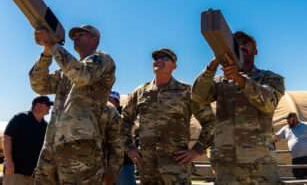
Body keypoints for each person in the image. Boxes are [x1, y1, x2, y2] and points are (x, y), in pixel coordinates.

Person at [29, 24, 123, 185]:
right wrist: (46, 52)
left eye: (82, 34)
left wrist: (52, 45)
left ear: (96, 39)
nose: (76, 37)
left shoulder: (102, 60)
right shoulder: (66, 70)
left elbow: (82, 75)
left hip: (81, 147)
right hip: (52, 146)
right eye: (74, 36)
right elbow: (39, 85)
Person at [192, 31, 285, 184]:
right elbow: (197, 96)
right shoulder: (220, 81)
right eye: (236, 43)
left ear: (255, 51)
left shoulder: (270, 78)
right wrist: (212, 65)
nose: (241, 46)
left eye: (246, 43)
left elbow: (268, 103)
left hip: (260, 163)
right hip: (227, 163)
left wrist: (239, 79)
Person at [122, 48, 215, 185]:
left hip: (176, 168)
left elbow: (210, 122)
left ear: (174, 66)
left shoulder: (187, 92)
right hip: (148, 168)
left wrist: (197, 150)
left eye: (165, 58)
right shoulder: (140, 92)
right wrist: (129, 147)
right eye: (156, 58)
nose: (159, 60)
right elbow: (124, 121)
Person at [3, 96, 51, 185]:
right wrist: (8, 161)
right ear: (38, 106)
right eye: (47, 105)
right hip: (16, 171)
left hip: (34, 174)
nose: (50, 108)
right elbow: (7, 137)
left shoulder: (45, 126)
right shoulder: (20, 118)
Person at [108, 91, 137, 185]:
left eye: (111, 100)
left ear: (117, 102)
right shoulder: (101, 116)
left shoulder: (124, 118)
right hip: (106, 164)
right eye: (107, 99)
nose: (108, 102)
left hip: (124, 164)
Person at [275, 112, 307, 179]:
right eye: (286, 119)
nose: (287, 121)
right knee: (298, 177)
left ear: (295, 118)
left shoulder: (305, 125)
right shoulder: (286, 128)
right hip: (296, 159)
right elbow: (276, 137)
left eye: (289, 119)